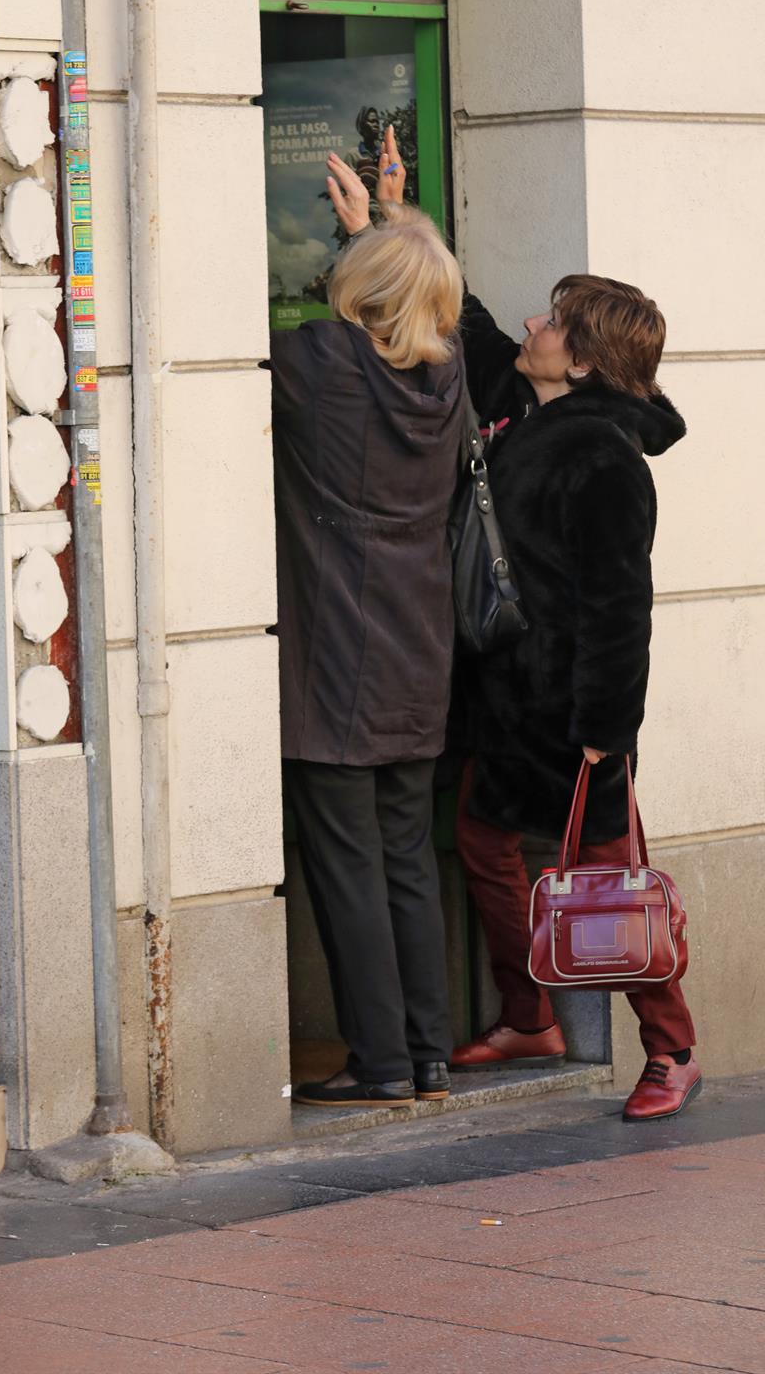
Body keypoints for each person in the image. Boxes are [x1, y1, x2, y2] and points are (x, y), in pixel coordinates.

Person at [451, 275, 701, 1122]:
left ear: (585, 361)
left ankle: (671, 1051)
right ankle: (529, 1018)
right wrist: (394, 215)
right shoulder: (538, 410)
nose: (535, 324)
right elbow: (478, 333)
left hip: (573, 719)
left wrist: (603, 732)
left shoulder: (602, 457)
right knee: (483, 845)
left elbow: (620, 606)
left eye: (554, 323)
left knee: (604, 893)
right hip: (508, 704)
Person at [272, 142, 464, 1109]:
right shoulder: (446, 382)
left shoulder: (323, 366)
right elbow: (419, 307)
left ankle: (380, 1064)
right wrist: (385, 226)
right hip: (417, 654)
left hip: (336, 659)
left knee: (348, 870)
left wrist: (366, 234)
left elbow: (308, 324)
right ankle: (426, 1055)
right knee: (404, 863)